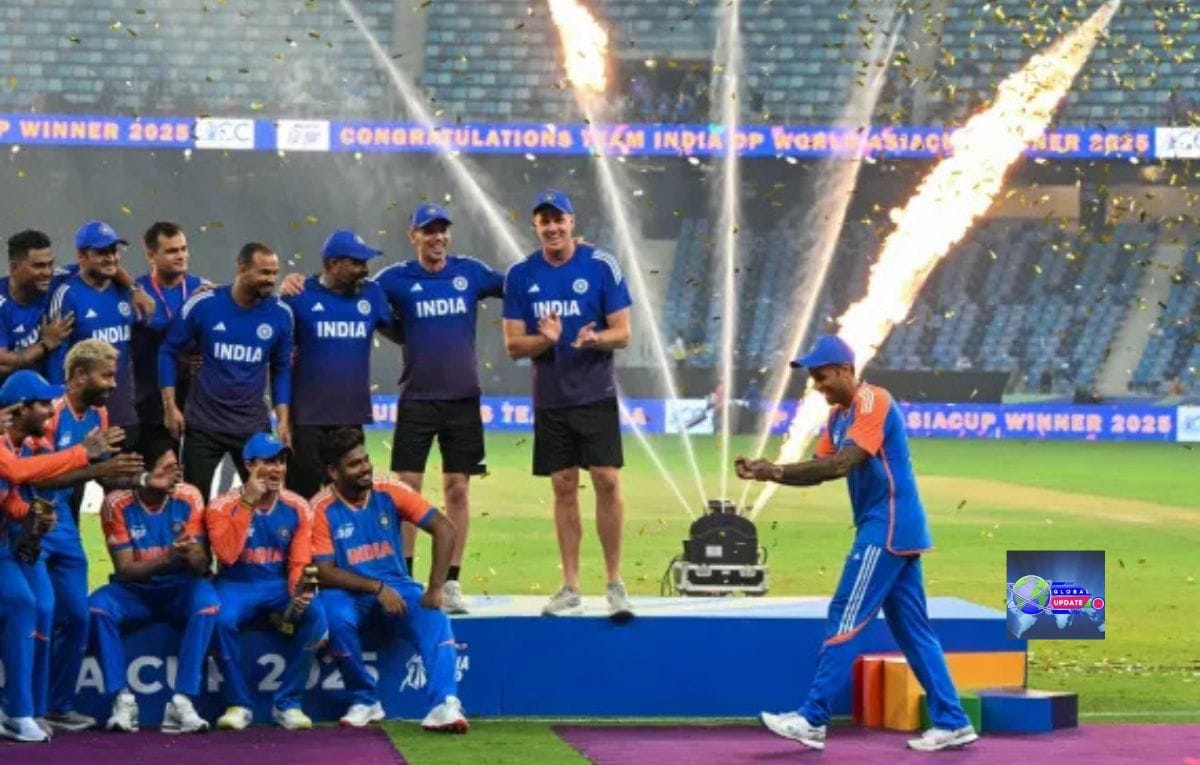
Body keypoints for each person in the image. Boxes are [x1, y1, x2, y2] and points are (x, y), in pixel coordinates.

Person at [737, 334, 978, 753]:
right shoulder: (837, 416)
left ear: (846, 370)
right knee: (914, 631)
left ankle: (813, 718)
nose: (818, 386)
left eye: (822, 376)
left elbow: (843, 464)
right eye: (814, 378)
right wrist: (768, 471)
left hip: (886, 526)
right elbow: (819, 469)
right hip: (895, 528)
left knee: (845, 613)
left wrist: (774, 471)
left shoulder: (872, 401)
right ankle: (953, 721)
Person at [501, 190, 634, 620]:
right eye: (545, 221)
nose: (553, 228)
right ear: (536, 226)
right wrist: (546, 340)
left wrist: (595, 338)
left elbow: (623, 333)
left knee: (607, 480)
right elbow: (513, 346)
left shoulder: (601, 264)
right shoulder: (520, 274)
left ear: (572, 222)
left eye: (559, 219)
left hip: (596, 394)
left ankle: (614, 583)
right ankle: (571, 586)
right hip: (551, 399)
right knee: (562, 486)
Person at [372, 205, 503, 614]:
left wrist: (568, 254)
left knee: (458, 489)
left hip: (463, 399)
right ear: (413, 235)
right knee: (407, 489)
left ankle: (450, 582)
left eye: (443, 230)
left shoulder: (470, 272)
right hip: (417, 397)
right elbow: (360, 298)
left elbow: (517, 285)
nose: (437, 238)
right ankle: (407, 579)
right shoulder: (394, 279)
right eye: (428, 231)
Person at [4, 353, 144, 732]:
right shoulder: (45, 418)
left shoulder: (98, 415)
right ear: (80, 375)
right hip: (31, 519)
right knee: (39, 609)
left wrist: (140, 480)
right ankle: (26, 708)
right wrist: (92, 462)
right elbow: (33, 477)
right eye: (107, 376)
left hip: (60, 519)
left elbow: (97, 474)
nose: (114, 384)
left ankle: (55, 706)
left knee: (77, 615)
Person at [311, 427, 467, 732]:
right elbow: (325, 572)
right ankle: (365, 699)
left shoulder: (390, 491)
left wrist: (436, 587)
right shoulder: (320, 508)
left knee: (435, 617)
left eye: (365, 460)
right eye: (354, 464)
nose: (365, 468)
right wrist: (376, 588)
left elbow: (445, 529)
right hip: (347, 591)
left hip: (398, 587)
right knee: (334, 616)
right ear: (333, 472)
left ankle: (444, 704)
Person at [88, 447, 216, 734]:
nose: (176, 474)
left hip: (179, 587)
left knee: (208, 602)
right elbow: (125, 569)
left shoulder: (189, 496)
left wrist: (193, 554)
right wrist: (167, 558)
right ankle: (122, 700)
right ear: (146, 472)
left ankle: (182, 701)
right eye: (167, 467)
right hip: (134, 591)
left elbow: (201, 565)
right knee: (97, 607)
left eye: (177, 466)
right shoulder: (116, 503)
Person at [205, 433, 326, 731]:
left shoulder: (298, 506)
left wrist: (299, 591)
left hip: (277, 585)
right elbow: (227, 555)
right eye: (269, 462)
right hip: (236, 583)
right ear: (249, 465)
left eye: (281, 462)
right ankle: (238, 704)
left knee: (316, 615)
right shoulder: (220, 506)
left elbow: (299, 562)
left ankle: (288, 703)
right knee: (219, 620)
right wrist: (248, 502)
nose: (277, 469)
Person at [158, 242, 293, 499]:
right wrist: (170, 406)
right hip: (203, 425)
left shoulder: (281, 313)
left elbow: (282, 368)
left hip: (252, 424)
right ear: (241, 268)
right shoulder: (204, 304)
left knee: (264, 501)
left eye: (275, 273)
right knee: (193, 502)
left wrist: (283, 420)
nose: (271, 280)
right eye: (264, 272)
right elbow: (167, 350)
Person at [280, 230, 396, 500]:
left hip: (350, 419)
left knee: (352, 498)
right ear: (333, 264)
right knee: (304, 499)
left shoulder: (372, 294)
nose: (365, 269)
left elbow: (400, 333)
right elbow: (278, 359)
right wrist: (284, 417)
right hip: (307, 421)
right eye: (357, 263)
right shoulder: (297, 296)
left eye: (365, 263)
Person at [47, 220, 155, 442]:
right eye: (102, 252)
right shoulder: (67, 295)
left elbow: (153, 333)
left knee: (127, 464)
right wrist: (59, 408)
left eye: (114, 251)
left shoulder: (129, 293)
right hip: (84, 416)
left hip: (125, 413)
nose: (111, 258)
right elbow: (57, 358)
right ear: (82, 256)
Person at [131, 221, 209, 464]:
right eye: (172, 251)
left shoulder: (202, 288)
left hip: (195, 401)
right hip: (149, 402)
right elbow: (162, 333)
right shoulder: (138, 293)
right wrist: (190, 307)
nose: (181, 256)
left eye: (183, 249)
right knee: (159, 471)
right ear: (151, 255)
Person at [0, 230, 75, 384]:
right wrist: (45, 344)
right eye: (39, 266)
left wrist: (128, 287)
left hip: (44, 390)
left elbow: (96, 263)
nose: (47, 272)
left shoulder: (57, 279)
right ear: (14, 268)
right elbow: (3, 364)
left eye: (50, 264)